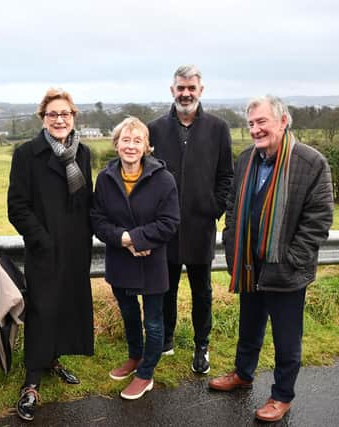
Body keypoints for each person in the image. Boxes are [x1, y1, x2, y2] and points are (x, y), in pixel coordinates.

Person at [208, 95, 334, 422]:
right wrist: (231, 239)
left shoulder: (310, 162)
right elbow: (234, 204)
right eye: (250, 123)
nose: (255, 129)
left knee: (286, 337)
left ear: (283, 121)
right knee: (249, 327)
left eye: (262, 121)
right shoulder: (247, 158)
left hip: (287, 269)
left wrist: (292, 258)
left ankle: (282, 396)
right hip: (250, 264)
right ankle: (243, 374)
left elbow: (319, 218)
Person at [8, 88, 94, 421]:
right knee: (42, 308)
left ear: (74, 117)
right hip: (44, 247)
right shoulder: (27, 153)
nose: (60, 120)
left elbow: (88, 199)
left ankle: (54, 358)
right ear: (43, 118)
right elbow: (17, 205)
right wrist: (41, 239)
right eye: (53, 114)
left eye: (66, 114)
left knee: (67, 303)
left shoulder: (82, 152)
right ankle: (31, 381)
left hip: (76, 246)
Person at [148, 64, 234, 374]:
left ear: (201, 90)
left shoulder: (218, 128)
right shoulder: (154, 128)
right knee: (165, 287)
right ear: (172, 91)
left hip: (200, 225)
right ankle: (166, 338)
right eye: (180, 88)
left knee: (202, 290)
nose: (186, 93)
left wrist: (214, 207)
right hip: (165, 226)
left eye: (191, 88)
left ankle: (202, 345)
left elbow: (226, 174)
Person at [91, 117, 179, 400]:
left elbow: (170, 222)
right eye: (125, 140)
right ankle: (135, 357)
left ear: (147, 146)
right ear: (116, 145)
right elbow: (97, 219)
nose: (131, 146)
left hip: (152, 261)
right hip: (121, 259)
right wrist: (125, 240)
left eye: (137, 140)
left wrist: (137, 239)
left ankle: (146, 373)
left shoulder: (164, 179)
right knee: (129, 314)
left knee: (153, 321)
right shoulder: (105, 179)